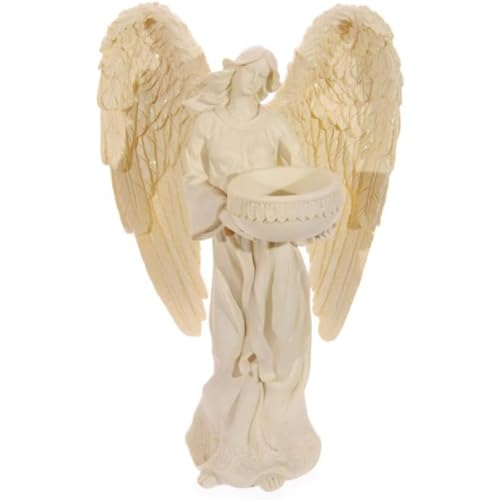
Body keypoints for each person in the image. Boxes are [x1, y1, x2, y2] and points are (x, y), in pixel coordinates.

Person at [181, 46, 321, 492]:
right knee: (231, 345)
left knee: (279, 344)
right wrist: (224, 210)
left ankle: (275, 449)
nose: (256, 79)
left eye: (264, 74)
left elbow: (303, 179)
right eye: (251, 70)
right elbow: (190, 178)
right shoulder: (207, 124)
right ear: (236, 72)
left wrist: (306, 220)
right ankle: (226, 451)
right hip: (231, 243)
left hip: (275, 246)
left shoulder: (276, 124)